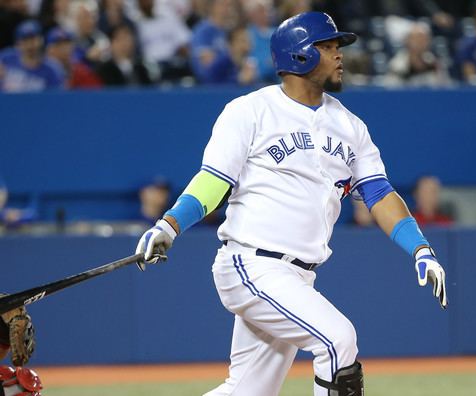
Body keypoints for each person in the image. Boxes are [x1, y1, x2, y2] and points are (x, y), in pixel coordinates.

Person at [135, 12, 447, 396]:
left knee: (247, 392)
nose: (338, 55)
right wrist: (169, 224)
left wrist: (420, 248)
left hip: (298, 276)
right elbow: (214, 181)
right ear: (299, 54)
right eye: (328, 46)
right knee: (337, 341)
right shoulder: (250, 110)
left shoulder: (350, 126)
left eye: (338, 47)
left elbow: (379, 194)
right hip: (252, 264)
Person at [0, 20, 64, 93]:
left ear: (41, 40)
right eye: (25, 40)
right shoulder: (5, 58)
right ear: (17, 43)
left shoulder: (52, 69)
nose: (30, 45)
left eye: (33, 39)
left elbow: (56, 98)